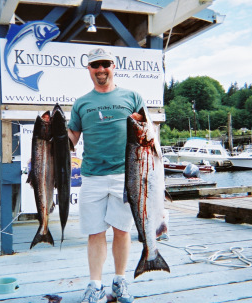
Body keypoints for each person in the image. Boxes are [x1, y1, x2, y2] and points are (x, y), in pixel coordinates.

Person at [68, 48, 145, 303]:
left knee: (122, 230)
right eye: (95, 65)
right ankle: (95, 285)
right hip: (92, 176)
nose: (101, 69)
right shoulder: (81, 103)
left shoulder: (133, 97)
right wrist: (50, 139)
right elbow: (71, 138)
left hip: (127, 175)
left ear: (114, 66)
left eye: (105, 64)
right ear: (88, 69)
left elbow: (147, 132)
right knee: (95, 232)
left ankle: (120, 281)